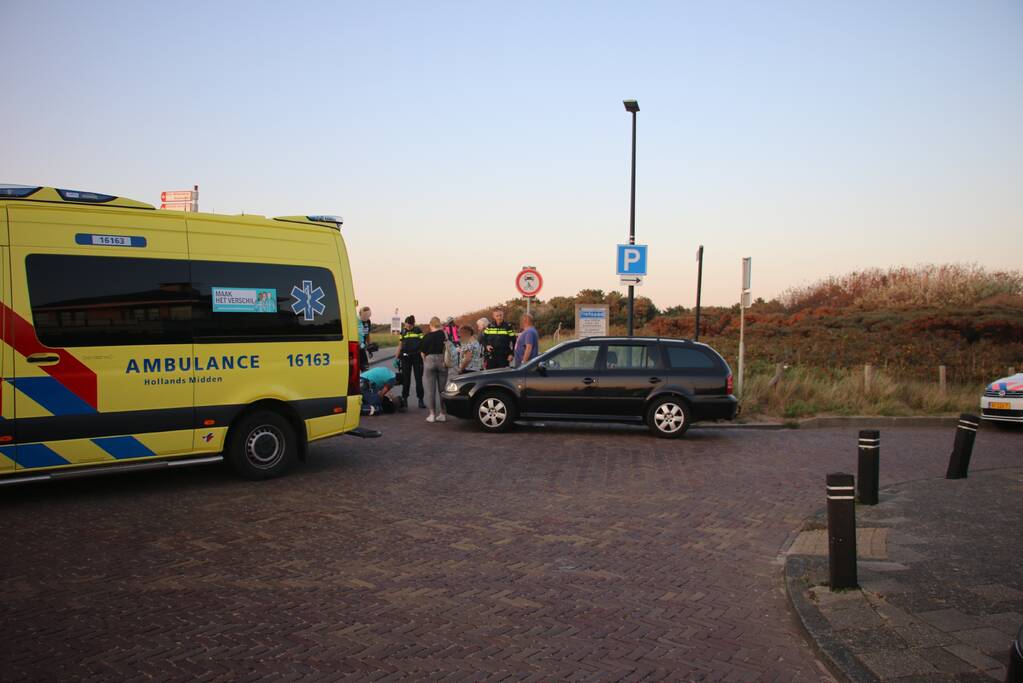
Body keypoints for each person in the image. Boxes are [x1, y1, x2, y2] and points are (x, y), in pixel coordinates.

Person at [419, 316, 448, 423]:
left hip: (430, 360)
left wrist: (426, 361)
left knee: (430, 390)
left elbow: (422, 353)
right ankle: (443, 414)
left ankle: (432, 415)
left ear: (431, 325)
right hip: (442, 361)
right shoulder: (444, 334)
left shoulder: (427, 336)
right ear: (439, 324)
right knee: (442, 390)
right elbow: (448, 348)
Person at [397, 316, 425, 408]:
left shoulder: (418, 331)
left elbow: (423, 344)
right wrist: (396, 357)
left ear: (413, 324)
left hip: (417, 357)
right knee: (406, 380)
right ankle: (405, 399)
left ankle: (420, 400)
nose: (407, 327)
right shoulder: (403, 331)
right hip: (405, 358)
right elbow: (400, 345)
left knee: (418, 379)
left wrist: (424, 356)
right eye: (406, 325)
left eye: (409, 326)